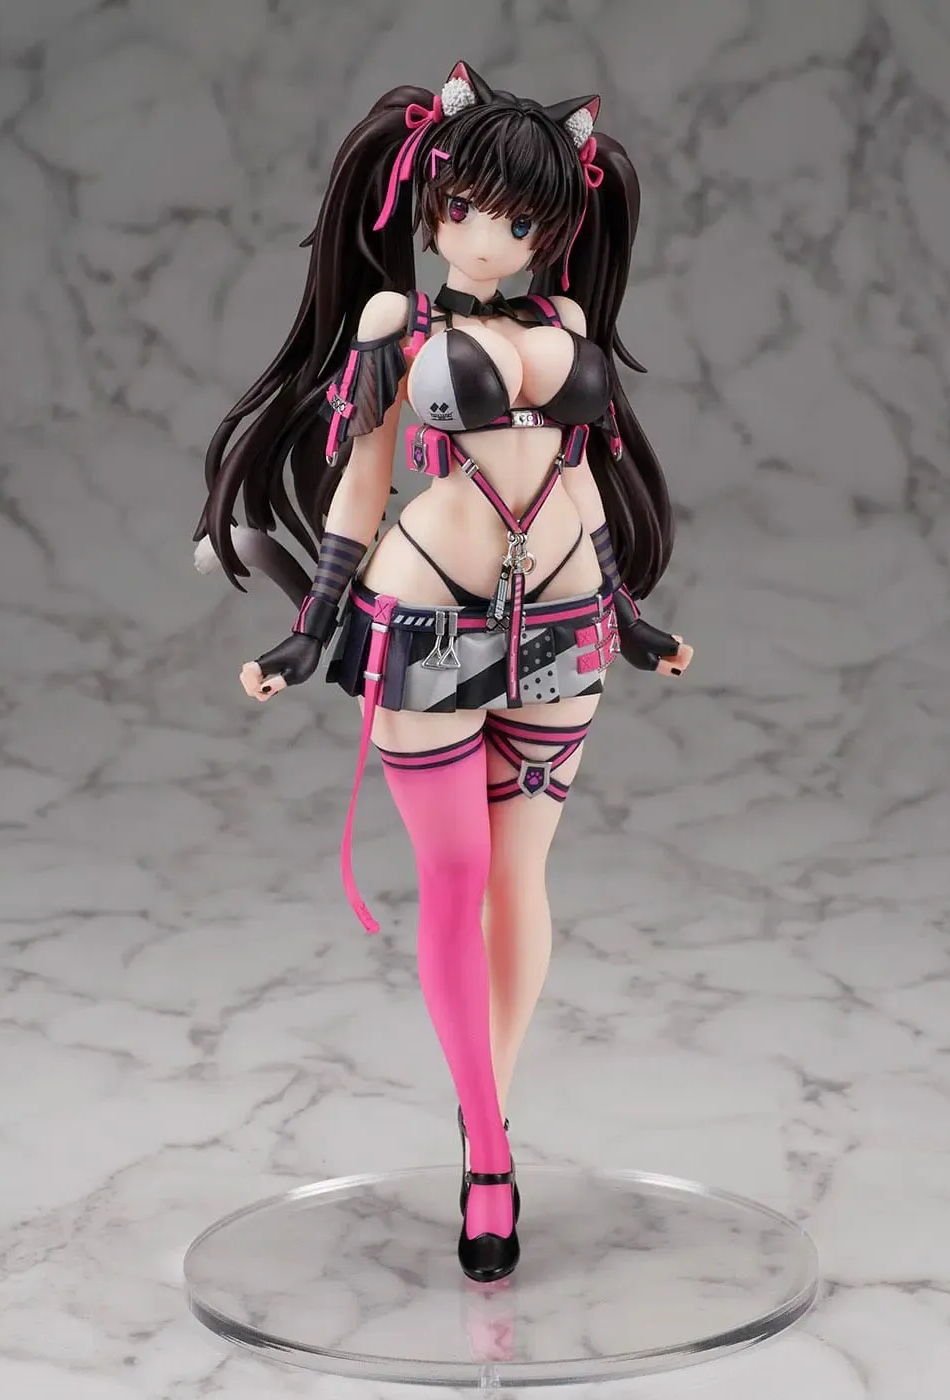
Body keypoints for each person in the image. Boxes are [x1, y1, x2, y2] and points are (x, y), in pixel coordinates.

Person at [194, 60, 693, 1284]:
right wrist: (314, 623)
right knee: (456, 873)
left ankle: (484, 1116)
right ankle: (490, 1153)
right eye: (464, 210)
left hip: (564, 624)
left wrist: (630, 612)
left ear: (552, 227)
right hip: (423, 625)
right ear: (428, 201)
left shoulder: (563, 326)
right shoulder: (396, 327)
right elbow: (360, 482)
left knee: (520, 880)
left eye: (517, 221)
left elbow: (581, 482)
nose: (483, 239)